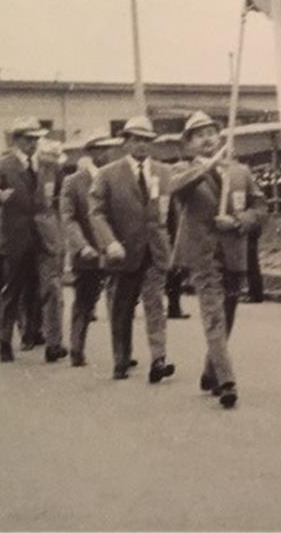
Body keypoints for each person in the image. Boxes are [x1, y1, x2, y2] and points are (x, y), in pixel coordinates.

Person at [168, 111, 267, 409]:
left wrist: (237, 221)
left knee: (228, 313)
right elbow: (177, 189)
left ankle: (210, 370)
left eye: (211, 132)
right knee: (213, 315)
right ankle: (227, 380)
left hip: (233, 252)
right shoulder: (181, 170)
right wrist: (208, 166)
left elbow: (260, 208)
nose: (207, 139)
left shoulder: (239, 172)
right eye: (199, 135)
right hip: (202, 255)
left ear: (220, 136)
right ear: (189, 144)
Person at [89, 115, 175, 383]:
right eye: (136, 139)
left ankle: (158, 359)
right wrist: (110, 242)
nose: (141, 145)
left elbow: (172, 213)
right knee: (121, 309)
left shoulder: (164, 172)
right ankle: (121, 360)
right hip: (122, 252)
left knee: (155, 305)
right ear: (125, 143)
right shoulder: (108, 175)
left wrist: (172, 246)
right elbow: (97, 213)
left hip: (154, 251)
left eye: (146, 140)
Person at [0, 116, 49, 362]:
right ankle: (4, 341)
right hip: (13, 238)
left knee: (34, 289)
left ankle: (30, 333)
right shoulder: (3, 164)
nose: (34, 144)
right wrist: (0, 195)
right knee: (12, 290)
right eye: (29, 139)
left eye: (36, 139)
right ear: (17, 140)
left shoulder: (41, 163)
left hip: (37, 236)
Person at [60, 131, 120, 366]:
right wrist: (81, 246)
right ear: (92, 152)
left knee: (118, 305)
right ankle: (77, 349)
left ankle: (121, 355)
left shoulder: (118, 178)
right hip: (88, 252)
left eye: (110, 148)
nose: (108, 153)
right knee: (84, 302)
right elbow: (68, 218)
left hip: (115, 251)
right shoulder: (73, 182)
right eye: (102, 149)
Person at [33, 139, 68, 363]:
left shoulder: (51, 175)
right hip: (47, 238)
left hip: (46, 237)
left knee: (47, 290)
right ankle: (51, 341)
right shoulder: (46, 175)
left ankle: (38, 334)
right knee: (52, 290)